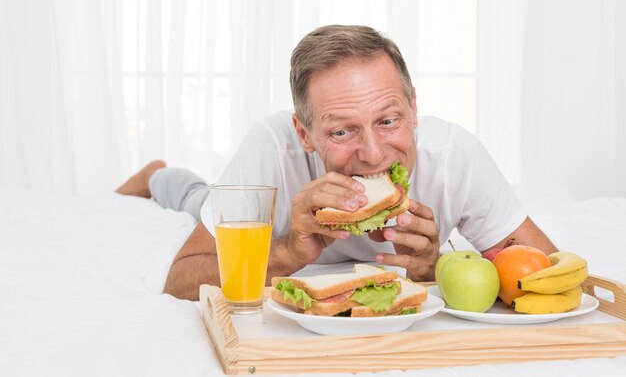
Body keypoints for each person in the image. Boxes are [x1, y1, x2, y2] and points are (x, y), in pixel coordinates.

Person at [117, 25, 557, 301]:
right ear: (304, 133)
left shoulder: (455, 156)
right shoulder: (272, 147)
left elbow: (547, 271)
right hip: (249, 218)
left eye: (388, 120)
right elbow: (180, 281)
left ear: (414, 109)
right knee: (196, 198)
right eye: (342, 131)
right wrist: (287, 252)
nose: (373, 153)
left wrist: (437, 268)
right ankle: (156, 174)